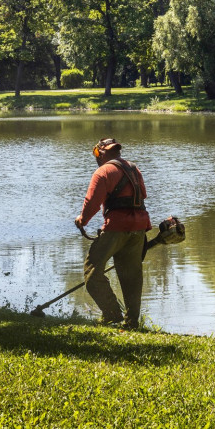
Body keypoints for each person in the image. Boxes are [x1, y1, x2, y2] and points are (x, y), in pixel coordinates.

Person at [74, 138, 151, 329]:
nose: (96, 158)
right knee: (132, 276)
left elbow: (92, 201)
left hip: (116, 226)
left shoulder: (103, 171)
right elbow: (143, 196)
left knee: (92, 271)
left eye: (96, 155)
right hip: (139, 227)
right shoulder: (134, 168)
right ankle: (132, 322)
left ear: (101, 153)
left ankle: (112, 314)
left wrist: (82, 220)